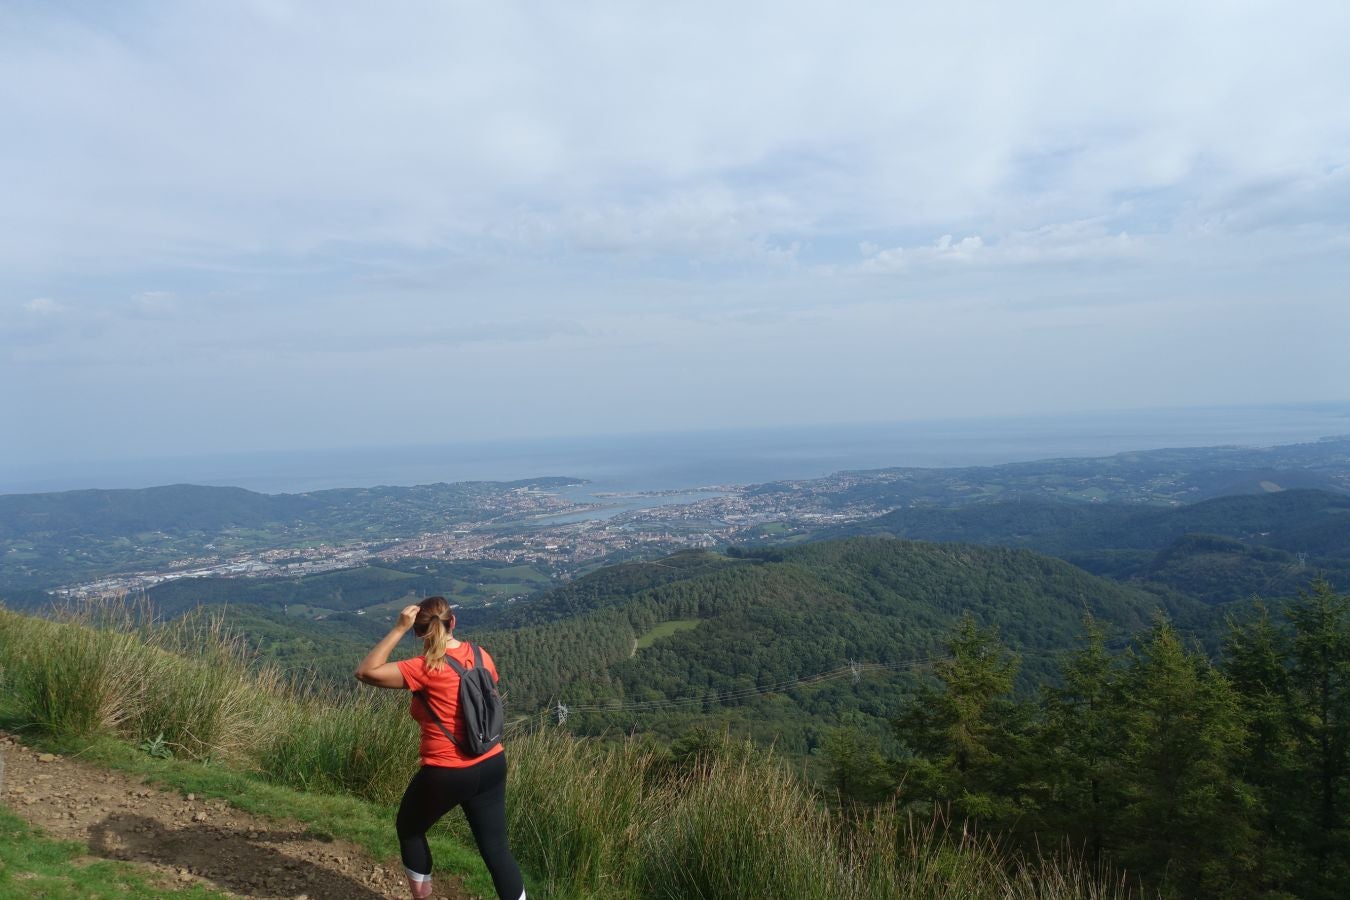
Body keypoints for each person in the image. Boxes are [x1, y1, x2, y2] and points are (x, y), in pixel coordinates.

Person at [355, 596, 525, 900]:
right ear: (453, 622)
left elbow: (366, 671)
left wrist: (397, 629)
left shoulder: (423, 668)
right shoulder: (481, 654)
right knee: (497, 850)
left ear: (419, 633)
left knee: (409, 829)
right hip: (492, 762)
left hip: (447, 771)